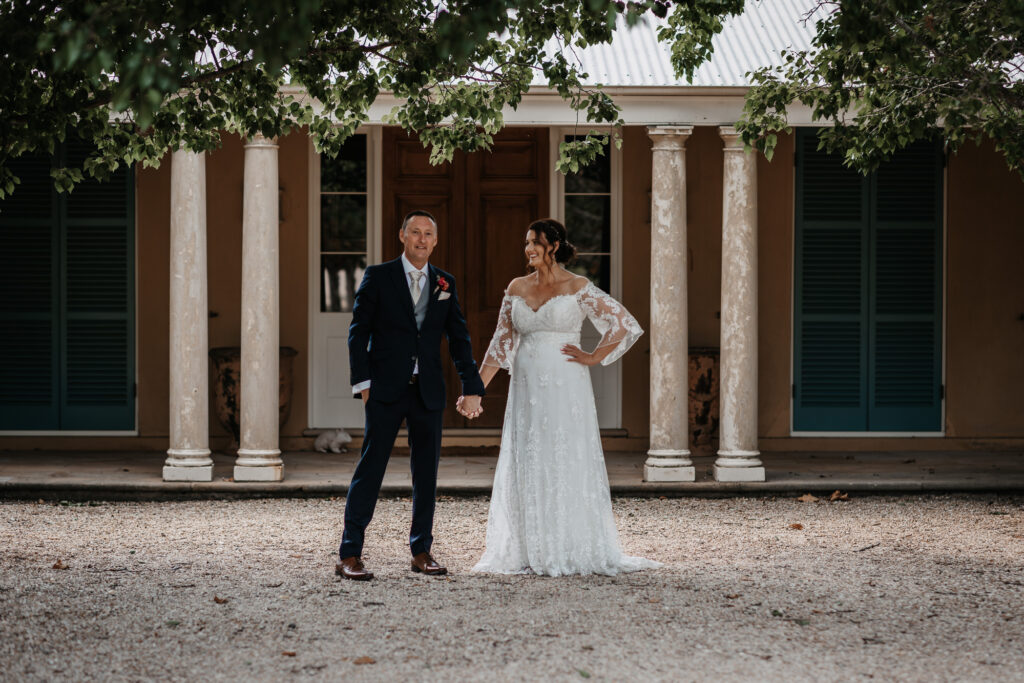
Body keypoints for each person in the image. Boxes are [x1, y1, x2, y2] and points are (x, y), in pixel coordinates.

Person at [471, 218, 661, 576]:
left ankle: (568, 543)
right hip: (526, 388)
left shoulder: (578, 286)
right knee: (528, 455)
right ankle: (529, 547)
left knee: (564, 454)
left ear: (554, 246)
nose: (528, 249)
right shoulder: (516, 287)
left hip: (565, 385)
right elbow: (500, 343)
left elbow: (622, 322)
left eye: (534, 243)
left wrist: (592, 356)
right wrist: (474, 391)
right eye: (526, 243)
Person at [337, 210, 485, 581]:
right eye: (415, 232)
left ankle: (421, 551)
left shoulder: (444, 283)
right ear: (402, 236)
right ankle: (349, 554)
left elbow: (459, 338)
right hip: (385, 390)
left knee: (426, 474)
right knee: (371, 470)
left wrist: (471, 386)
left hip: (428, 392)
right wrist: (363, 385)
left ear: (435, 241)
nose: (421, 239)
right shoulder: (379, 276)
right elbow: (358, 332)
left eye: (428, 234)